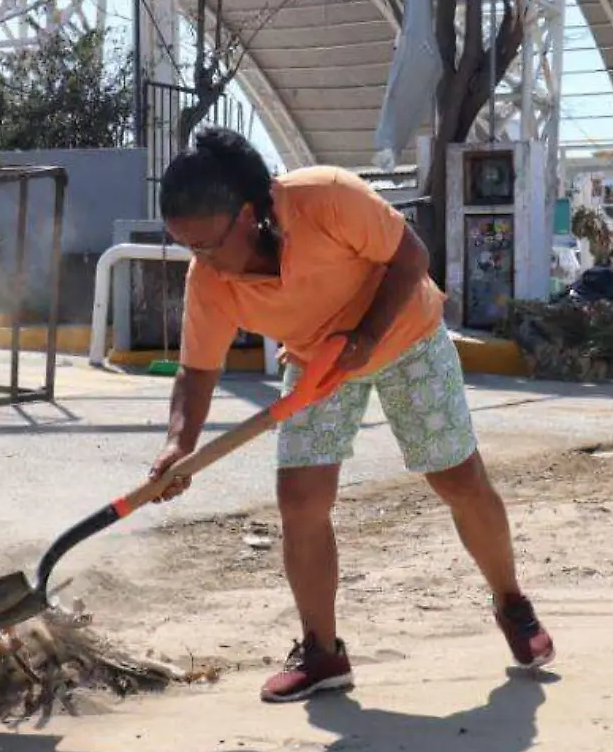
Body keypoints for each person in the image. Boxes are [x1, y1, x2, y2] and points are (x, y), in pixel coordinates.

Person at [150, 127, 554, 703]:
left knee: (457, 479)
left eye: (207, 246)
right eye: (187, 248)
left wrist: (366, 336)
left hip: (406, 336)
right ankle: (322, 652)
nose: (202, 261)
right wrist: (177, 444)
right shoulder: (210, 281)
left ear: (246, 215)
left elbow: (411, 255)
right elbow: (196, 373)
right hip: (318, 364)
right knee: (301, 500)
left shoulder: (326, 198)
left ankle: (512, 602)